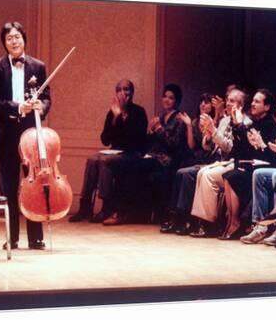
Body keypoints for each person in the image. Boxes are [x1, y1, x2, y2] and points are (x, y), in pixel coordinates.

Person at [0, 21, 50, 250]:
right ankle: (11, 238)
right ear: (4, 43)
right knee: (9, 187)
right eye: (9, 38)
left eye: (17, 37)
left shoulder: (38, 66)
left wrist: (38, 108)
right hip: (7, 134)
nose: (14, 41)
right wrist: (17, 107)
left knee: (35, 185)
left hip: (31, 134)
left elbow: (47, 99)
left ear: (24, 39)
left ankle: (36, 238)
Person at [102, 83, 187, 225]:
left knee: (130, 167)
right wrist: (150, 131)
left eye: (171, 98)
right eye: (165, 96)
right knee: (125, 166)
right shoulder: (161, 117)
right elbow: (149, 143)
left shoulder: (179, 119)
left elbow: (174, 144)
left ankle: (121, 212)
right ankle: (128, 212)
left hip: (164, 160)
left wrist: (159, 129)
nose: (166, 100)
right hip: (151, 157)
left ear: (176, 101)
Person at [68, 79, 148, 223]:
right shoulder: (112, 112)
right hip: (116, 152)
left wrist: (123, 114)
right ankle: (85, 207)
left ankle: (106, 208)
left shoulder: (139, 112)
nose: (123, 92)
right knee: (92, 159)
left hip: (133, 153)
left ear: (132, 93)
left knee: (105, 161)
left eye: (126, 89)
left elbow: (136, 139)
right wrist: (115, 117)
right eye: (119, 89)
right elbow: (105, 140)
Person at [189, 88, 251, 237]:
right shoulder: (224, 120)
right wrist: (209, 134)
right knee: (202, 172)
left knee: (207, 175)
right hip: (221, 161)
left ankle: (209, 224)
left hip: (234, 163)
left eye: (232, 101)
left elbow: (230, 148)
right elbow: (208, 147)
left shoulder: (246, 122)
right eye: (227, 100)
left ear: (241, 105)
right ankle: (203, 222)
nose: (228, 103)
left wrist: (214, 131)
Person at [220, 89, 276, 239]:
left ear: (267, 107)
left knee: (233, 176)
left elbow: (271, 157)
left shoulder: (270, 125)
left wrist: (261, 144)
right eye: (252, 100)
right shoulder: (255, 122)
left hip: (264, 167)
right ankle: (231, 221)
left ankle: (237, 223)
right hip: (251, 165)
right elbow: (241, 149)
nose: (252, 104)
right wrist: (236, 125)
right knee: (228, 175)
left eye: (257, 101)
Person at [160, 92, 217, 234]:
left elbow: (210, 147)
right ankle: (176, 215)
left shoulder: (216, 120)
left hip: (211, 160)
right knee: (179, 171)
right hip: (197, 157)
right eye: (201, 101)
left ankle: (184, 218)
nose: (203, 104)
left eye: (207, 102)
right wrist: (189, 126)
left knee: (185, 172)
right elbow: (191, 145)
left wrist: (213, 121)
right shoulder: (195, 121)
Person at [240, 97, 276, 245]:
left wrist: (265, 146)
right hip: (271, 166)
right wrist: (259, 146)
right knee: (259, 174)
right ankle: (259, 225)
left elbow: (275, 160)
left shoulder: (272, 126)